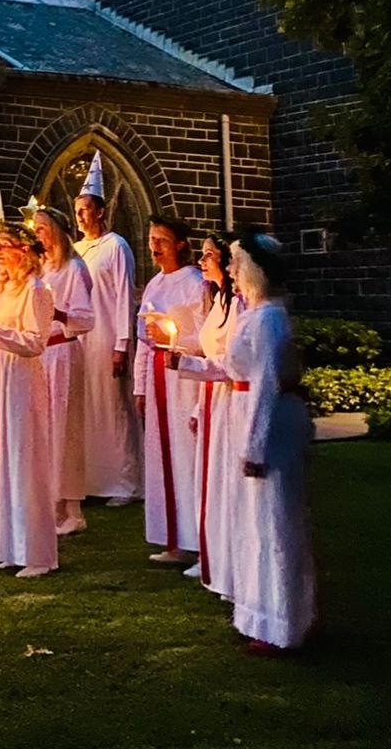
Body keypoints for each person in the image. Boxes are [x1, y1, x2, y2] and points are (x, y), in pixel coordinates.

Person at [225, 233, 315, 653]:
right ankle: (262, 614)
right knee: (256, 524)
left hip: (270, 424)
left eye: (235, 263)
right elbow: (237, 372)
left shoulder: (267, 320)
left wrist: (255, 448)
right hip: (251, 413)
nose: (229, 271)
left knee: (274, 522)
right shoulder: (256, 314)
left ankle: (283, 622)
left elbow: (263, 384)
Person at [0, 224, 57, 577]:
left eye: (6, 247)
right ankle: (7, 543)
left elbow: (35, 341)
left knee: (23, 459)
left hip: (21, 379)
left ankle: (36, 552)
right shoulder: (4, 290)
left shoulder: (36, 290)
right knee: (1, 457)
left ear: (24, 251)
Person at [134, 215, 207, 563]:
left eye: (161, 240)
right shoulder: (154, 286)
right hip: (157, 375)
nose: (155, 246)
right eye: (151, 239)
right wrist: (140, 386)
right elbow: (143, 340)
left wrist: (175, 340)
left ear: (179, 244)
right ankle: (172, 538)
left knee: (185, 456)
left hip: (183, 379)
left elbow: (206, 337)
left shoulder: (194, 283)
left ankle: (197, 542)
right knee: (162, 457)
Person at [72, 151, 141, 505]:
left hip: (107, 337)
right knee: (86, 408)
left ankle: (124, 482)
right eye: (77, 210)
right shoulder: (75, 249)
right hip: (81, 339)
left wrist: (121, 344)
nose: (81, 216)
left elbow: (122, 297)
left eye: (86, 209)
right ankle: (91, 480)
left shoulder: (116, 247)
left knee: (113, 408)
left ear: (100, 210)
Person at [175, 233, 243, 593]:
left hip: (230, 400)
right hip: (212, 397)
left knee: (225, 480)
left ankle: (230, 561)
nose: (201, 262)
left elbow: (231, 361)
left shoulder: (240, 306)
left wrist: (185, 363)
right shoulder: (219, 302)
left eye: (208, 256)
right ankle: (211, 555)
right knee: (209, 480)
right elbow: (205, 348)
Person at [31, 204, 95, 535]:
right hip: (42, 355)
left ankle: (70, 507)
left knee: (64, 428)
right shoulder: (42, 269)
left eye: (42, 228)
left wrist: (57, 314)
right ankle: (49, 500)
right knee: (45, 427)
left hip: (64, 354)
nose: (38, 234)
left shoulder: (74, 269)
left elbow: (85, 318)